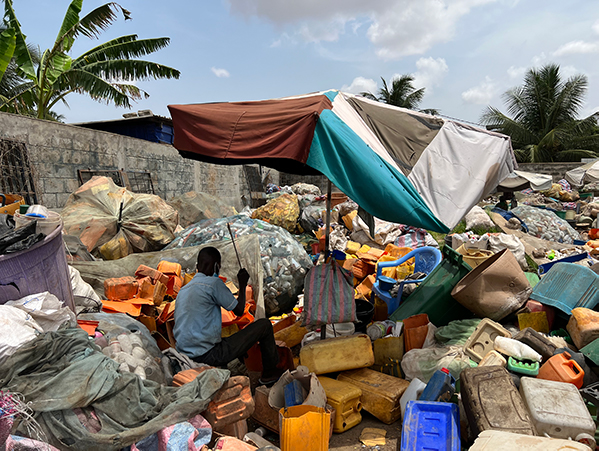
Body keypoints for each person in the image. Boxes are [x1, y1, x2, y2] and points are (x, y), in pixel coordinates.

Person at [173, 246, 282, 385]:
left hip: (184, 354)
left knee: (236, 338)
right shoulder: (213, 283)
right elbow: (238, 310)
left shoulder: (183, 290)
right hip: (209, 355)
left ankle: (243, 362)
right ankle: (270, 374)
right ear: (216, 266)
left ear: (197, 266)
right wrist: (242, 285)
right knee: (265, 325)